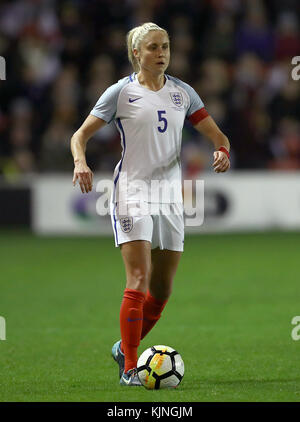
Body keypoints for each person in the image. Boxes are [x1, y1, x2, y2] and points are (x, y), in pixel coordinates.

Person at [70, 22, 230, 386]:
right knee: (138, 280)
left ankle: (122, 349)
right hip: (132, 192)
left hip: (170, 198)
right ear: (136, 54)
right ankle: (130, 368)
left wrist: (222, 150)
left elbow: (218, 136)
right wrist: (80, 161)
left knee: (162, 292)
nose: (162, 54)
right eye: (154, 48)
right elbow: (79, 136)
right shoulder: (120, 93)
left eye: (166, 47)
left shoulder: (183, 93)